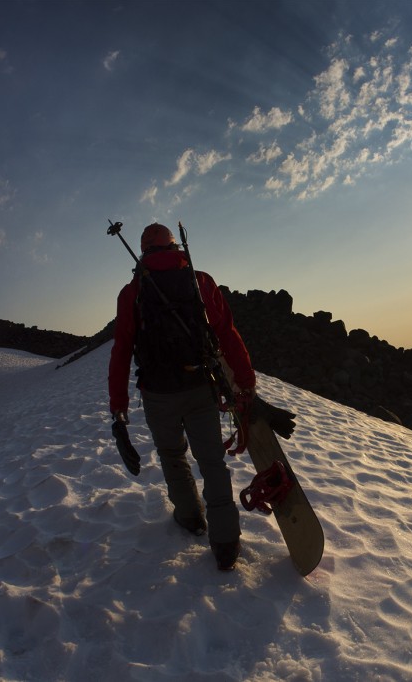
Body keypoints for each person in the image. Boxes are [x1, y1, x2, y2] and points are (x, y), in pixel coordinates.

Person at [108, 222, 256, 571]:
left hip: (158, 395)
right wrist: (245, 380)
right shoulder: (200, 281)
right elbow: (227, 334)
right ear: (174, 247)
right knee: (212, 462)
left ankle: (190, 518)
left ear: (143, 252)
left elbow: (121, 350)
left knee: (173, 456)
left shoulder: (132, 292)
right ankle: (225, 541)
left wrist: (119, 408)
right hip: (199, 386)